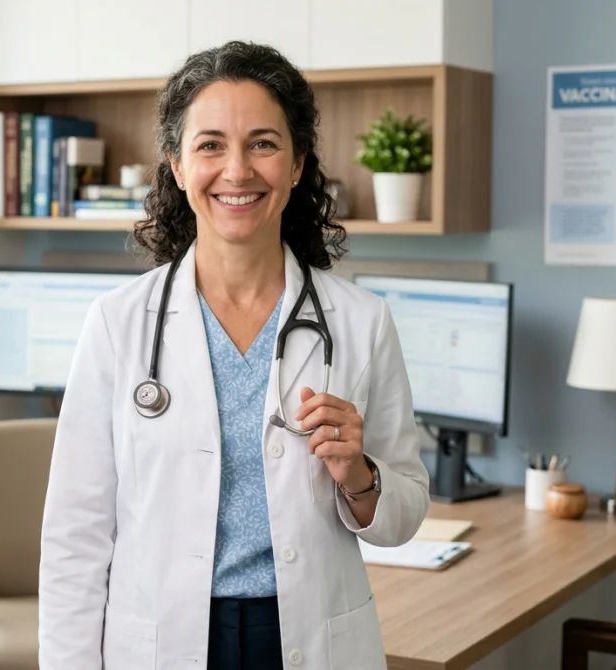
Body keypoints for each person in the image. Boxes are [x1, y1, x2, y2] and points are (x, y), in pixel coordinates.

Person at [38, 40, 431, 670]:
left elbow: (404, 512)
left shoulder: (361, 322)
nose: (238, 170)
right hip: (164, 640)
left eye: (264, 144)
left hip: (306, 636)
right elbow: (75, 538)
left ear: (298, 164)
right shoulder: (117, 325)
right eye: (211, 144)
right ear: (176, 162)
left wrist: (359, 473)